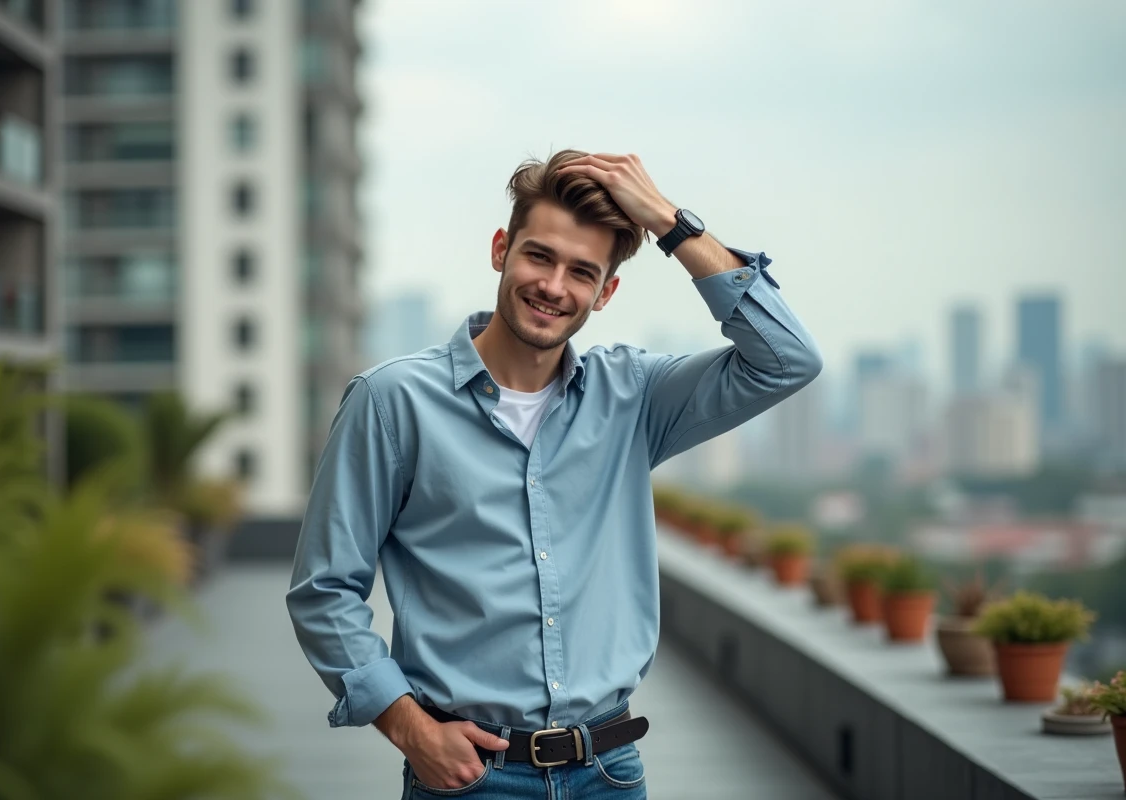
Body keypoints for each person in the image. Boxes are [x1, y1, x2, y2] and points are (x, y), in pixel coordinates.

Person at [286, 149, 823, 799]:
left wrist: (666, 221)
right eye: (539, 256)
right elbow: (325, 589)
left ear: (607, 292)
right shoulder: (392, 401)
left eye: (582, 272)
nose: (553, 286)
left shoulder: (634, 398)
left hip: (609, 771)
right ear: (500, 250)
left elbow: (786, 359)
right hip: (467, 775)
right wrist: (409, 729)